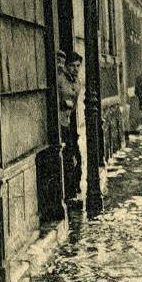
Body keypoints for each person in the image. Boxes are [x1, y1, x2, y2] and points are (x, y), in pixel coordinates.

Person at [57, 51, 82, 201]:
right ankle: (68, 193)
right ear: (66, 66)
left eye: (78, 66)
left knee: (75, 157)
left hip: (68, 122)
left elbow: (74, 106)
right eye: (72, 66)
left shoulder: (77, 81)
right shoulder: (60, 79)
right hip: (60, 123)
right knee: (67, 157)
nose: (75, 69)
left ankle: (73, 189)